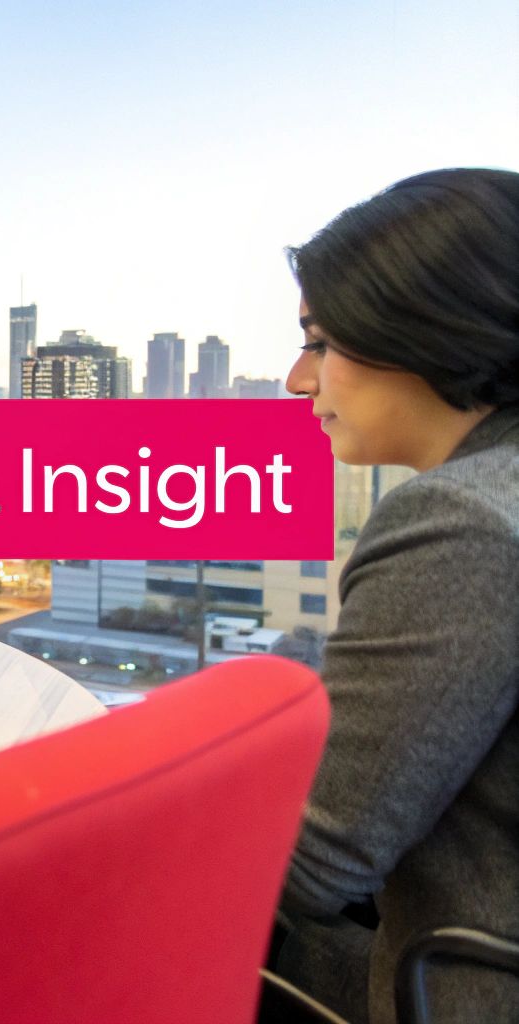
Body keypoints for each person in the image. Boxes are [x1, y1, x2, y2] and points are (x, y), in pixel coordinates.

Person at [274, 168, 519, 1023]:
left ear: (426, 331)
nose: (299, 379)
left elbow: (314, 864)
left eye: (322, 342)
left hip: (456, 987)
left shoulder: (463, 519)